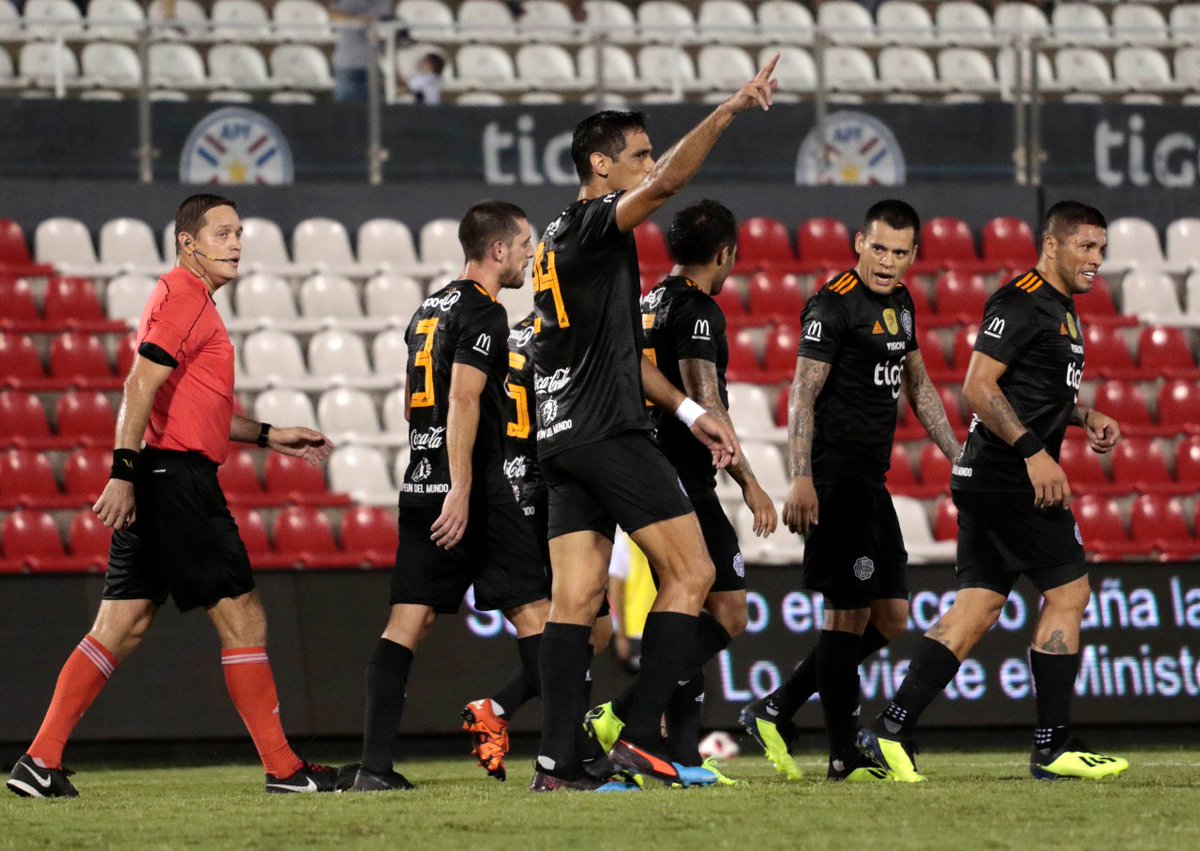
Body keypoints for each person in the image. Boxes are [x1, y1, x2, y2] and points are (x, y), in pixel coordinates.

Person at [6, 194, 339, 799]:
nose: (236, 243)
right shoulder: (185, 297)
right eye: (222, 233)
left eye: (239, 233)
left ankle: (39, 761)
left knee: (122, 623)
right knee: (243, 618)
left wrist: (268, 436)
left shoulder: (183, 299)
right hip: (177, 481)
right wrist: (122, 471)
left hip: (161, 476)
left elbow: (193, 406)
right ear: (189, 242)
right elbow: (140, 382)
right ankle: (286, 771)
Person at [530, 56, 778, 792]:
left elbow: (617, 350)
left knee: (574, 600)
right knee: (695, 572)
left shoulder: (556, 238)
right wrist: (731, 108)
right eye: (637, 154)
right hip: (607, 431)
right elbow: (670, 182)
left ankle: (555, 764)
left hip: (561, 437)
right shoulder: (595, 227)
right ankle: (640, 738)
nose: (650, 164)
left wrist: (691, 409)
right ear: (601, 166)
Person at [857, 201, 1129, 783]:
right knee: (1070, 593)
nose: (1097, 260)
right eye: (1086, 247)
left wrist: (1083, 416)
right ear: (1052, 245)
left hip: (988, 478)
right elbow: (978, 388)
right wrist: (1034, 453)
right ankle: (1053, 747)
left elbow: (1033, 389)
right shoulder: (1022, 299)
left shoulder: (1059, 308)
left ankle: (890, 730)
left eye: (1102, 249)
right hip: (1009, 477)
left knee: (977, 607)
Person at [739, 200, 960, 783]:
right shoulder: (831, 304)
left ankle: (776, 707)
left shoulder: (902, 303)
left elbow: (918, 381)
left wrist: (958, 455)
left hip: (872, 480)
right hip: (835, 480)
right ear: (859, 242)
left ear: (914, 255)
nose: (887, 262)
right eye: (879, 247)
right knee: (846, 618)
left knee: (890, 617)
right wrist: (802, 477)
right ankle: (843, 754)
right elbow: (802, 394)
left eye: (900, 252)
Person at [350, 200, 554, 792]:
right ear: (497, 250)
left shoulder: (427, 308)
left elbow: (422, 397)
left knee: (404, 625)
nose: (527, 257)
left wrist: (435, 475)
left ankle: (373, 768)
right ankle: (567, 761)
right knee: (539, 619)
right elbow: (464, 399)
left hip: (420, 482)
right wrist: (462, 488)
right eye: (522, 246)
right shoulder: (485, 312)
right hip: (475, 492)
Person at [621, 199, 777, 782]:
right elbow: (706, 403)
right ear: (725, 254)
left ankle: (683, 753)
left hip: (648, 471)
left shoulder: (648, 303)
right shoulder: (699, 311)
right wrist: (754, 486)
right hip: (684, 476)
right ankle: (624, 715)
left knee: (690, 610)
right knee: (729, 612)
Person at [459, 309, 615, 783]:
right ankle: (576, 755)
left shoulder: (508, 337)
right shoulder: (565, 339)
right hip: (547, 489)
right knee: (570, 625)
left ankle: (497, 708)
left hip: (517, 484)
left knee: (595, 631)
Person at [329, 0, 391, 103]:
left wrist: (366, 21)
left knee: (375, 114)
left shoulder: (382, 2)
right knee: (349, 113)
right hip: (347, 66)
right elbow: (333, 16)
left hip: (372, 65)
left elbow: (381, 21)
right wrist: (356, 20)